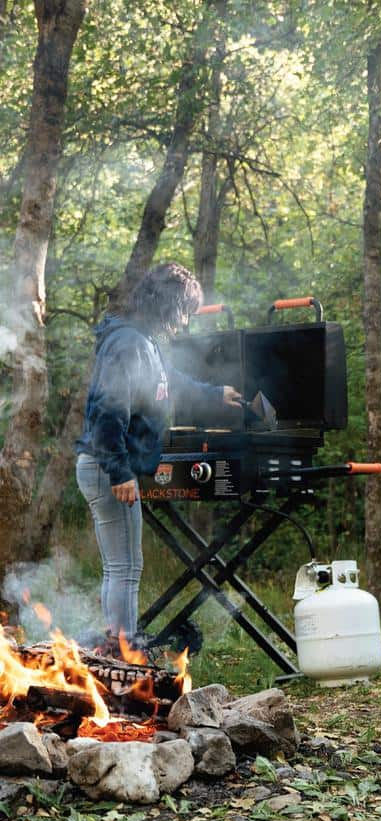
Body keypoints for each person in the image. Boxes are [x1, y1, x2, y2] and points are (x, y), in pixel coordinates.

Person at [75, 262, 242, 645]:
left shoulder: (144, 342)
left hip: (108, 464)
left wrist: (216, 394)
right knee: (125, 567)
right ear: (167, 304)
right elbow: (107, 411)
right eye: (183, 312)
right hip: (106, 466)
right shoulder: (129, 343)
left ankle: (117, 646)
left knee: (124, 565)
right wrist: (120, 472)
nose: (184, 323)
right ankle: (121, 651)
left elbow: (171, 382)